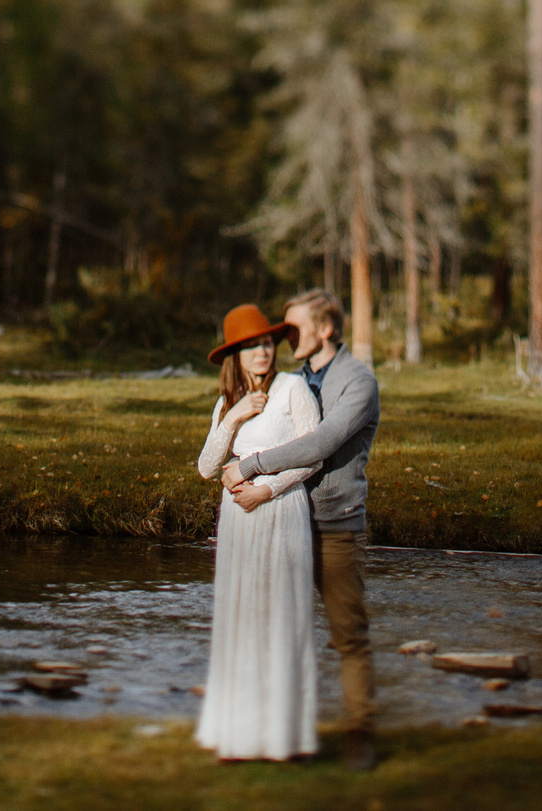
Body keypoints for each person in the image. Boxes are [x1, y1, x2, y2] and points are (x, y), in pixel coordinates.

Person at [222, 288, 380, 773]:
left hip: (333, 526)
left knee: (347, 635)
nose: (283, 338)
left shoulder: (358, 382)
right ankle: (268, 733)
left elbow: (324, 441)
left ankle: (359, 735)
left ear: (325, 330)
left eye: (292, 329)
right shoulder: (295, 379)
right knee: (274, 631)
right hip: (284, 521)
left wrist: (253, 466)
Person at [193, 303, 321, 761]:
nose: (263, 352)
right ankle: (240, 735)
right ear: (236, 356)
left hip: (281, 511)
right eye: (251, 346)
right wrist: (233, 417)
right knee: (242, 615)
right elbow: (207, 468)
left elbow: (312, 455)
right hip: (238, 524)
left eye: (266, 343)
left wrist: (265, 491)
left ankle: (286, 737)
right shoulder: (227, 403)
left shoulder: (294, 389)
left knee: (282, 614)